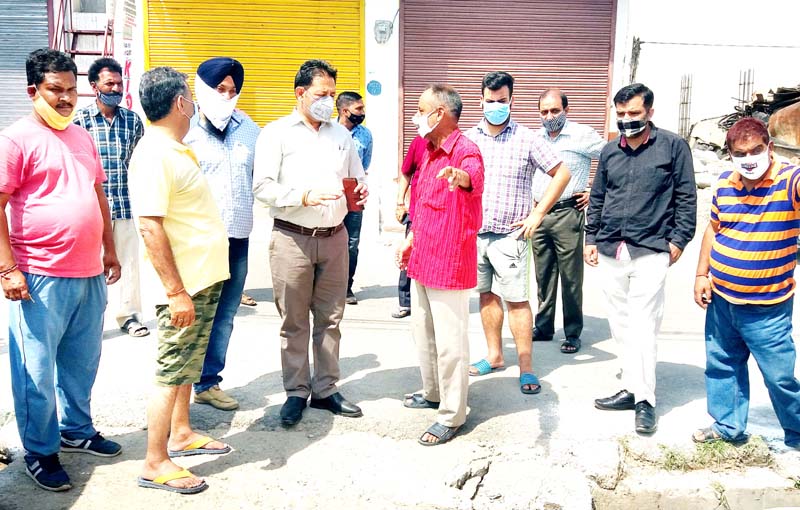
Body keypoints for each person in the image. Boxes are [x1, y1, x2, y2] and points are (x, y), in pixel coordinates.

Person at [0, 48, 121, 492]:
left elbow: (97, 196)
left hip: (88, 270)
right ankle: (40, 450)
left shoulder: (81, 136)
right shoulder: (15, 140)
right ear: (34, 91)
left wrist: (109, 249)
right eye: (56, 90)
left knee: (81, 362)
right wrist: (8, 269)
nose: (67, 98)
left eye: (72, 90)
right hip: (38, 274)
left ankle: (76, 430)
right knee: (34, 368)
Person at [129, 66, 231, 495]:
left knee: (187, 365)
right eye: (189, 96)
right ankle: (155, 461)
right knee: (171, 372)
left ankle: (182, 433)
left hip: (200, 281)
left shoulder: (174, 149)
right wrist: (175, 292)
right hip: (183, 287)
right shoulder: (154, 154)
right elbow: (150, 227)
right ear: (178, 104)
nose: (194, 102)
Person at [254, 59, 367, 427]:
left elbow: (356, 178)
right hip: (292, 239)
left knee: (331, 319)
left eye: (333, 94)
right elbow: (262, 187)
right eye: (322, 94)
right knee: (294, 321)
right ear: (300, 93)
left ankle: (325, 389)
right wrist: (303, 196)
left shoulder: (341, 135)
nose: (329, 101)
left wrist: (360, 193)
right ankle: (295, 392)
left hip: (334, 238)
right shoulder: (276, 134)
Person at [585, 83, 696, 434]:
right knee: (620, 323)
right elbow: (598, 197)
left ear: (649, 111)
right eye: (620, 114)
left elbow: (686, 197)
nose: (627, 120)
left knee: (644, 324)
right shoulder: (609, 152)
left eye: (633, 113)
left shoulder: (672, 147)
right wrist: (590, 238)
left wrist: (678, 241)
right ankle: (631, 387)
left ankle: (645, 401)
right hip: (611, 249)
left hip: (651, 249)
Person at [693, 117, 800, 447]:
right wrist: (701, 274)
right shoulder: (725, 183)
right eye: (741, 153)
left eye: (756, 150)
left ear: (770, 148)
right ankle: (728, 425)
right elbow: (713, 229)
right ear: (730, 155)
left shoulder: (789, 180)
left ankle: (797, 432)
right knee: (722, 365)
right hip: (722, 300)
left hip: (767, 307)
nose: (750, 159)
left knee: (779, 377)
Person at [464, 72, 571, 394]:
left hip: (511, 237)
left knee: (517, 300)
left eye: (502, 101)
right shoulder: (469, 138)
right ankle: (495, 355)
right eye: (490, 100)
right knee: (486, 295)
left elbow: (561, 173)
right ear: (480, 99)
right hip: (476, 234)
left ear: (512, 100)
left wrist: (538, 213)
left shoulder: (527, 139)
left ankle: (526, 367)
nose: (495, 106)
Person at [396, 84, 484, 446]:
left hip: (450, 261)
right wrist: (411, 238)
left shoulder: (466, 150)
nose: (417, 116)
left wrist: (459, 178)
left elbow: (472, 178)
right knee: (425, 335)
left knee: (451, 344)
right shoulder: (429, 151)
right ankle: (433, 392)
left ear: (441, 114)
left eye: (421, 109)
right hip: (422, 256)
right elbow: (421, 202)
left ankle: (452, 414)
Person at [184, 57, 260, 411]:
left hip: (238, 238)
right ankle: (181, 386)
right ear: (201, 89)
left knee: (225, 314)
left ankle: (208, 382)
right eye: (220, 89)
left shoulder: (250, 129)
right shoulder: (183, 130)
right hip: (197, 239)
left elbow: (264, 178)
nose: (227, 96)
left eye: (233, 90)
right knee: (193, 314)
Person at [74, 57, 147, 338]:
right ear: (94, 86)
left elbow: (137, 161)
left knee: (128, 263)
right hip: (91, 208)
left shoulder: (132, 121)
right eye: (109, 83)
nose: (115, 88)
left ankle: (128, 316)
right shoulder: (80, 121)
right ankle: (91, 320)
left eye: (119, 83)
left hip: (126, 204)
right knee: (91, 264)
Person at [532, 88, 606, 354]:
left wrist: (594, 191)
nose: (549, 116)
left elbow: (612, 158)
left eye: (554, 110)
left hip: (567, 214)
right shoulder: (535, 138)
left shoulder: (582, 135)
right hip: (539, 215)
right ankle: (543, 326)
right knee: (543, 275)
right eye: (544, 112)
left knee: (571, 278)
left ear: (566, 109)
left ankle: (573, 332)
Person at [336, 91, 373, 305]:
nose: (362, 113)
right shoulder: (327, 130)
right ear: (344, 110)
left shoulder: (365, 135)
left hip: (354, 191)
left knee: (351, 242)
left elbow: (365, 164)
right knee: (326, 238)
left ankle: (346, 287)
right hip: (331, 190)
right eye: (358, 109)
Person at [393, 135, 427, 319]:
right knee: (409, 256)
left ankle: (430, 302)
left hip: (443, 215)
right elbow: (406, 172)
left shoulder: (457, 142)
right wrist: (400, 202)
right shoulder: (419, 141)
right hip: (417, 212)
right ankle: (405, 302)